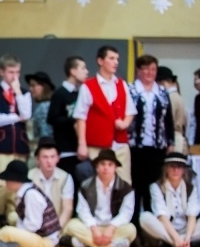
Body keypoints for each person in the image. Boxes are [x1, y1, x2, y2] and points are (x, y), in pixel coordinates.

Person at [74, 45, 136, 184]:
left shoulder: (122, 84)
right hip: (97, 145)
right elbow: (81, 117)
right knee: (97, 183)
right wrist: (82, 144)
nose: (116, 62)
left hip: (120, 145)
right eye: (111, 58)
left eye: (117, 59)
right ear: (100, 61)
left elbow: (130, 111)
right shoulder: (88, 86)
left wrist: (125, 123)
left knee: (124, 183)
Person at [127, 54, 174, 229]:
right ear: (138, 71)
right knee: (136, 186)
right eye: (146, 69)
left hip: (157, 147)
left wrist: (170, 142)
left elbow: (168, 120)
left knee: (153, 186)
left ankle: (152, 228)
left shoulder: (162, 92)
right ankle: (134, 226)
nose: (149, 73)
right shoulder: (130, 90)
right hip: (135, 146)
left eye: (153, 69)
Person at [63, 149, 137, 247]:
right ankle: (112, 245)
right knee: (71, 225)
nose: (106, 168)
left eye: (110, 165)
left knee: (131, 230)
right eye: (102, 164)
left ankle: (88, 243)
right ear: (97, 167)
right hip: (91, 227)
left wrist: (111, 228)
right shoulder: (86, 186)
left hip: (113, 228)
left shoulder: (125, 188)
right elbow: (82, 211)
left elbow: (126, 213)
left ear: (115, 168)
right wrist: (94, 229)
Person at [0, 160, 61, 247]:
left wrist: (16, 233)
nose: (6, 183)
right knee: (6, 228)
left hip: (45, 240)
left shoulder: (31, 194)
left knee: (7, 232)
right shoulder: (26, 192)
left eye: (8, 180)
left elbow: (33, 225)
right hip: (38, 236)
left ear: (15, 180)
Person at [139, 153, 200, 247]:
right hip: (166, 229)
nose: (175, 170)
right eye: (172, 166)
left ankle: (185, 242)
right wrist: (176, 238)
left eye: (179, 167)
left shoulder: (191, 188)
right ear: (166, 168)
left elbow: (192, 216)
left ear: (184, 170)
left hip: (187, 230)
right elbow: (162, 216)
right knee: (144, 217)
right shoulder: (156, 187)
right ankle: (174, 242)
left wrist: (188, 238)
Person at [0, 54, 32, 174]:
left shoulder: (24, 93)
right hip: (1, 144)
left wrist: (17, 92)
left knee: (20, 179)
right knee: (1, 180)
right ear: (2, 72)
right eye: (11, 72)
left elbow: (26, 115)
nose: (15, 76)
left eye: (17, 72)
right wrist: (16, 117)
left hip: (20, 145)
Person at [47, 56, 88, 178]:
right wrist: (74, 120)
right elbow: (52, 118)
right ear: (73, 71)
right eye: (83, 68)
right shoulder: (60, 94)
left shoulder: (82, 93)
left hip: (82, 148)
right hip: (66, 149)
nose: (87, 72)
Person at [28, 137, 75, 230]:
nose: (49, 161)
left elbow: (67, 208)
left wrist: (55, 230)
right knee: (13, 217)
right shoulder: (29, 176)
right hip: (34, 223)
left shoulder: (65, 177)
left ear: (58, 158)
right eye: (45, 157)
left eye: (52, 157)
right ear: (37, 159)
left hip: (58, 223)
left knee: (74, 225)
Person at [156, 66, 187, 153]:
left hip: (173, 138)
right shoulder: (177, 96)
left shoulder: (170, 97)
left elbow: (168, 121)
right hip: (177, 137)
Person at [25, 71, 55, 143]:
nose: (30, 89)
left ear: (43, 87)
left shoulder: (45, 107)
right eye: (30, 86)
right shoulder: (42, 106)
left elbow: (45, 133)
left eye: (33, 85)